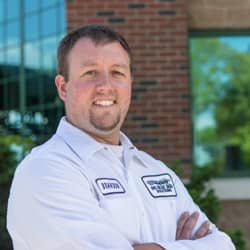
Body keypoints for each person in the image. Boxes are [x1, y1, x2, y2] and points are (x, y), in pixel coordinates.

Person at [7, 25, 235, 250]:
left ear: (130, 83)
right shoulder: (44, 170)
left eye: (117, 72)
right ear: (63, 87)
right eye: (90, 73)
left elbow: (224, 245)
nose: (105, 86)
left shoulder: (156, 170)